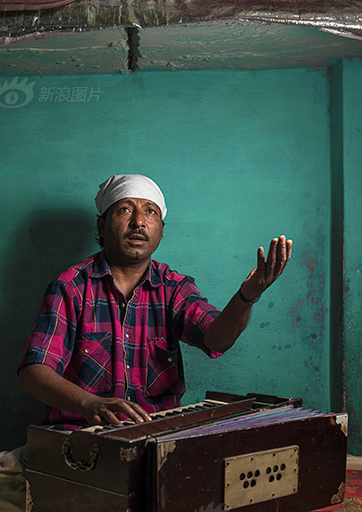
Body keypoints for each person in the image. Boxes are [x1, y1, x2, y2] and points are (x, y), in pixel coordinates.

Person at [18, 174, 293, 429]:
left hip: (156, 434)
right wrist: (89, 404)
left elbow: (216, 340)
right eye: (125, 209)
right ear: (102, 224)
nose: (139, 222)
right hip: (81, 433)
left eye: (150, 212)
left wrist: (247, 296)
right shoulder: (71, 286)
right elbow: (34, 371)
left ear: (161, 230)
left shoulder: (174, 288)